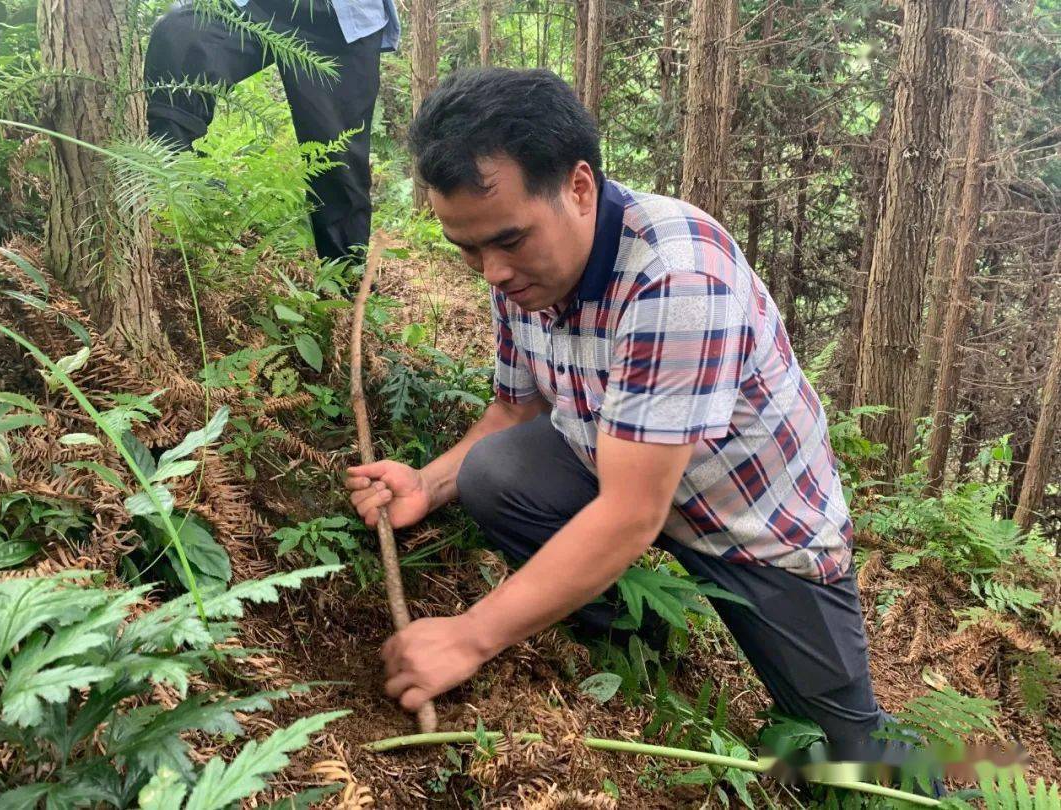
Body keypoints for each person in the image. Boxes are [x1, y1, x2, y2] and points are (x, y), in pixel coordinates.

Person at [346, 68, 888, 763]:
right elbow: (515, 409)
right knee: (492, 472)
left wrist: (469, 635)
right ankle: (631, 646)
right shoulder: (521, 273)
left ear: (578, 187)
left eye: (508, 241)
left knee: (848, 755)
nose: (491, 273)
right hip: (620, 467)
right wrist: (429, 483)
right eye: (468, 249)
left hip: (755, 526)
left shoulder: (678, 278)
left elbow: (632, 513)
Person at [144, 0, 399, 264]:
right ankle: (170, 205)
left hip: (340, 17)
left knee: (338, 160)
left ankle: (347, 286)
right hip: (254, 5)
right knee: (179, 34)